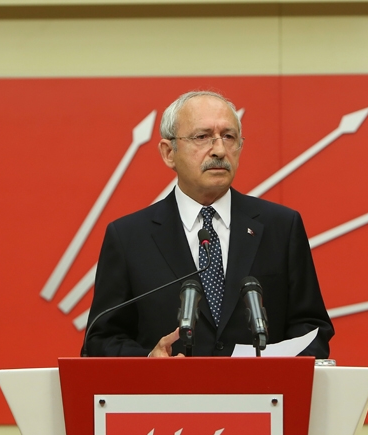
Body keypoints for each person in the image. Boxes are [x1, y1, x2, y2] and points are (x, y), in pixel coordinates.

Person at [84, 90, 334, 358]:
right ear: (169, 153)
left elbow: (312, 329)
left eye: (229, 137)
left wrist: (277, 368)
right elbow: (100, 341)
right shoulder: (129, 237)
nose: (219, 150)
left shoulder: (281, 227)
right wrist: (147, 361)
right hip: (168, 386)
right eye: (202, 137)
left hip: (260, 386)